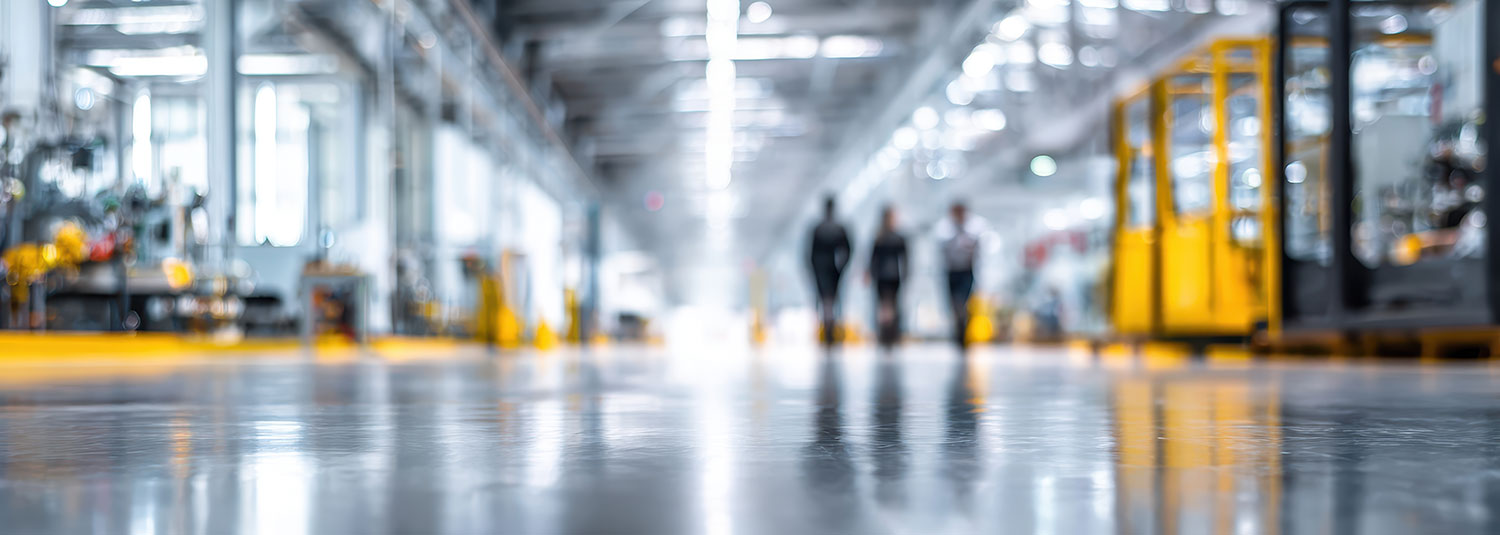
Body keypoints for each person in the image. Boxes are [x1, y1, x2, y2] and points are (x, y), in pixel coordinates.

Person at [937, 202, 982, 350]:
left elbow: (977, 251)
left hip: (967, 271)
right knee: (955, 304)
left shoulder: (974, 229)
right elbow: (942, 251)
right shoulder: (945, 229)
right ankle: (957, 333)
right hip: (952, 271)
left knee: (965, 303)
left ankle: (964, 334)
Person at [808, 196, 852, 346]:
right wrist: (842, 266)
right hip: (832, 269)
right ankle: (830, 331)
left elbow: (810, 254)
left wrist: (814, 269)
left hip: (825, 270)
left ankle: (830, 331)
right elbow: (848, 250)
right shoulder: (838, 229)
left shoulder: (819, 229)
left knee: (827, 301)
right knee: (831, 301)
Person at [867, 206, 908, 350]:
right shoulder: (887, 237)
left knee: (888, 306)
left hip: (887, 276)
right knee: (888, 306)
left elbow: (904, 258)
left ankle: (889, 334)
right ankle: (888, 334)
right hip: (888, 275)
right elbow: (873, 258)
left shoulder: (883, 237)